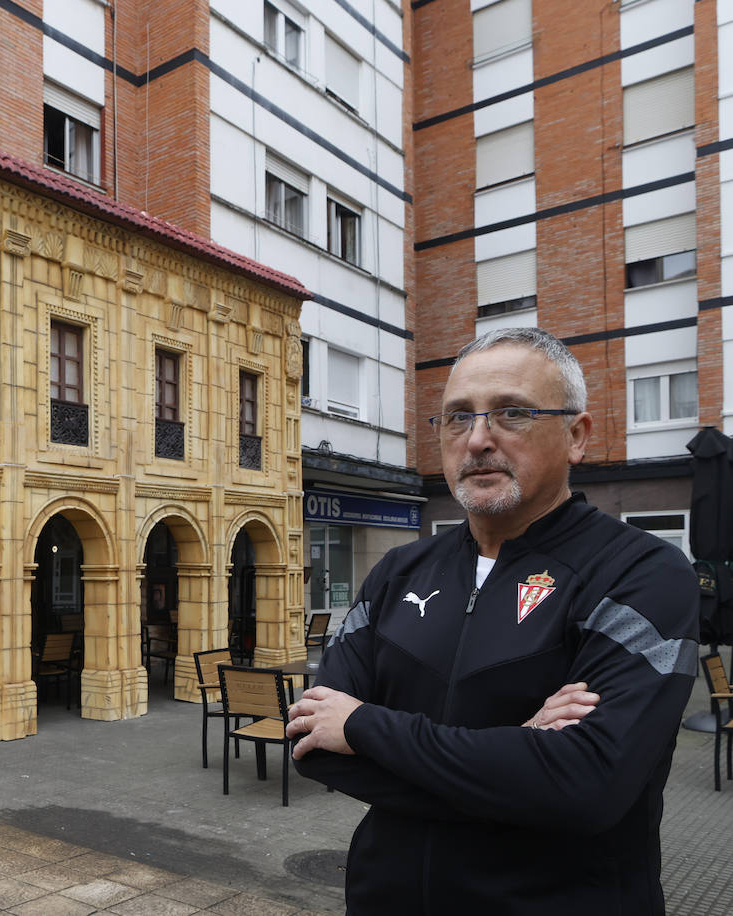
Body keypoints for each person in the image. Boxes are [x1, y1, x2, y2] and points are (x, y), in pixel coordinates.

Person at [287, 327, 699, 914]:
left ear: (576, 436)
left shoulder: (643, 573)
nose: (478, 439)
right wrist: (519, 753)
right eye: (457, 418)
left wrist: (363, 727)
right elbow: (312, 744)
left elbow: (589, 787)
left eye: (512, 413)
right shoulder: (397, 572)